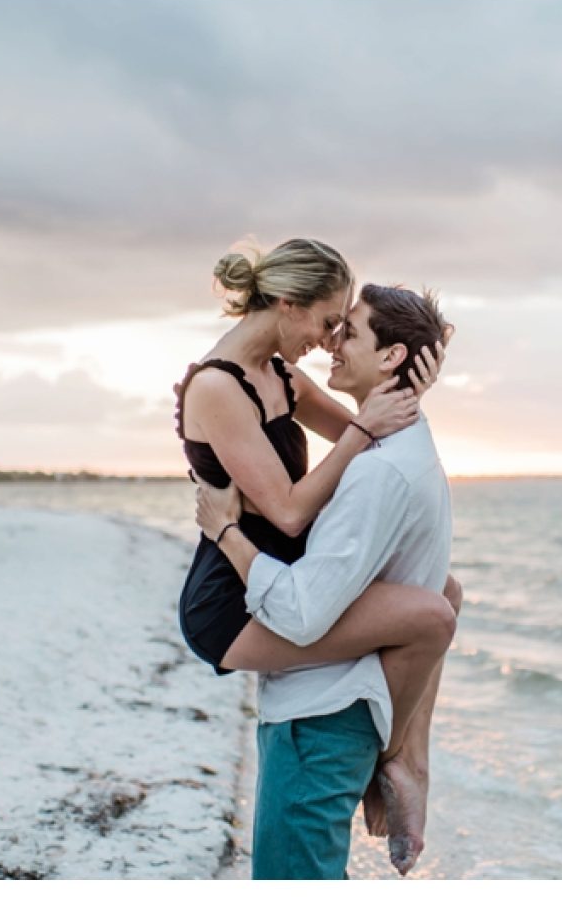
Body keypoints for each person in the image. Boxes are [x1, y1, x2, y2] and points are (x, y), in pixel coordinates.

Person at [195, 283, 458, 879]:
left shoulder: (379, 472)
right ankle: (404, 759)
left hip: (317, 720)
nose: (333, 342)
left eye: (351, 331)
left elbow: (302, 612)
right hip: (341, 710)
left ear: (391, 357)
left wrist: (225, 532)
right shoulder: (404, 445)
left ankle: (406, 761)